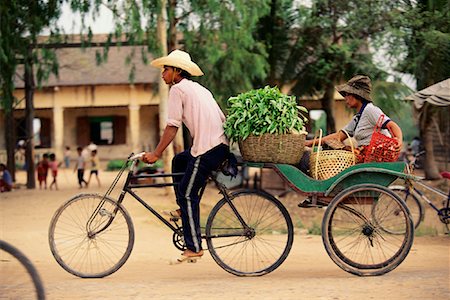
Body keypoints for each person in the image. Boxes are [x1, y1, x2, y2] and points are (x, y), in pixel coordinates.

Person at [142, 49, 229, 263]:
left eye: (166, 70)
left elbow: (172, 127)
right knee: (179, 161)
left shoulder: (178, 90)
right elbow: (221, 117)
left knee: (187, 193)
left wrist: (155, 153)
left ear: (177, 72)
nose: (163, 74)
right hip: (218, 146)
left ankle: (194, 247)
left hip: (208, 148)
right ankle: (184, 208)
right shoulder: (200, 89)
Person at [304, 75, 403, 165]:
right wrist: (309, 143)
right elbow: (338, 136)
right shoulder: (358, 118)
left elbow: (392, 125)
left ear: (357, 95)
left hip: (374, 156)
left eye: (347, 94)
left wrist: (398, 140)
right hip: (363, 154)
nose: (345, 98)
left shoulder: (370, 110)